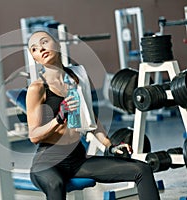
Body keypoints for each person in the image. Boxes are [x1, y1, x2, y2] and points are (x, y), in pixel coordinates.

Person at [25, 30, 160, 200]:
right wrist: (59, 118)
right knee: (55, 184)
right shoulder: (37, 88)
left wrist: (110, 146)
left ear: (58, 44)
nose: (41, 49)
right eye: (34, 49)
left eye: (44, 42)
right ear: (34, 57)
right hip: (47, 161)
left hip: (77, 159)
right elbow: (34, 135)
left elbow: (91, 120)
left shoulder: (77, 78)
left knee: (142, 170)